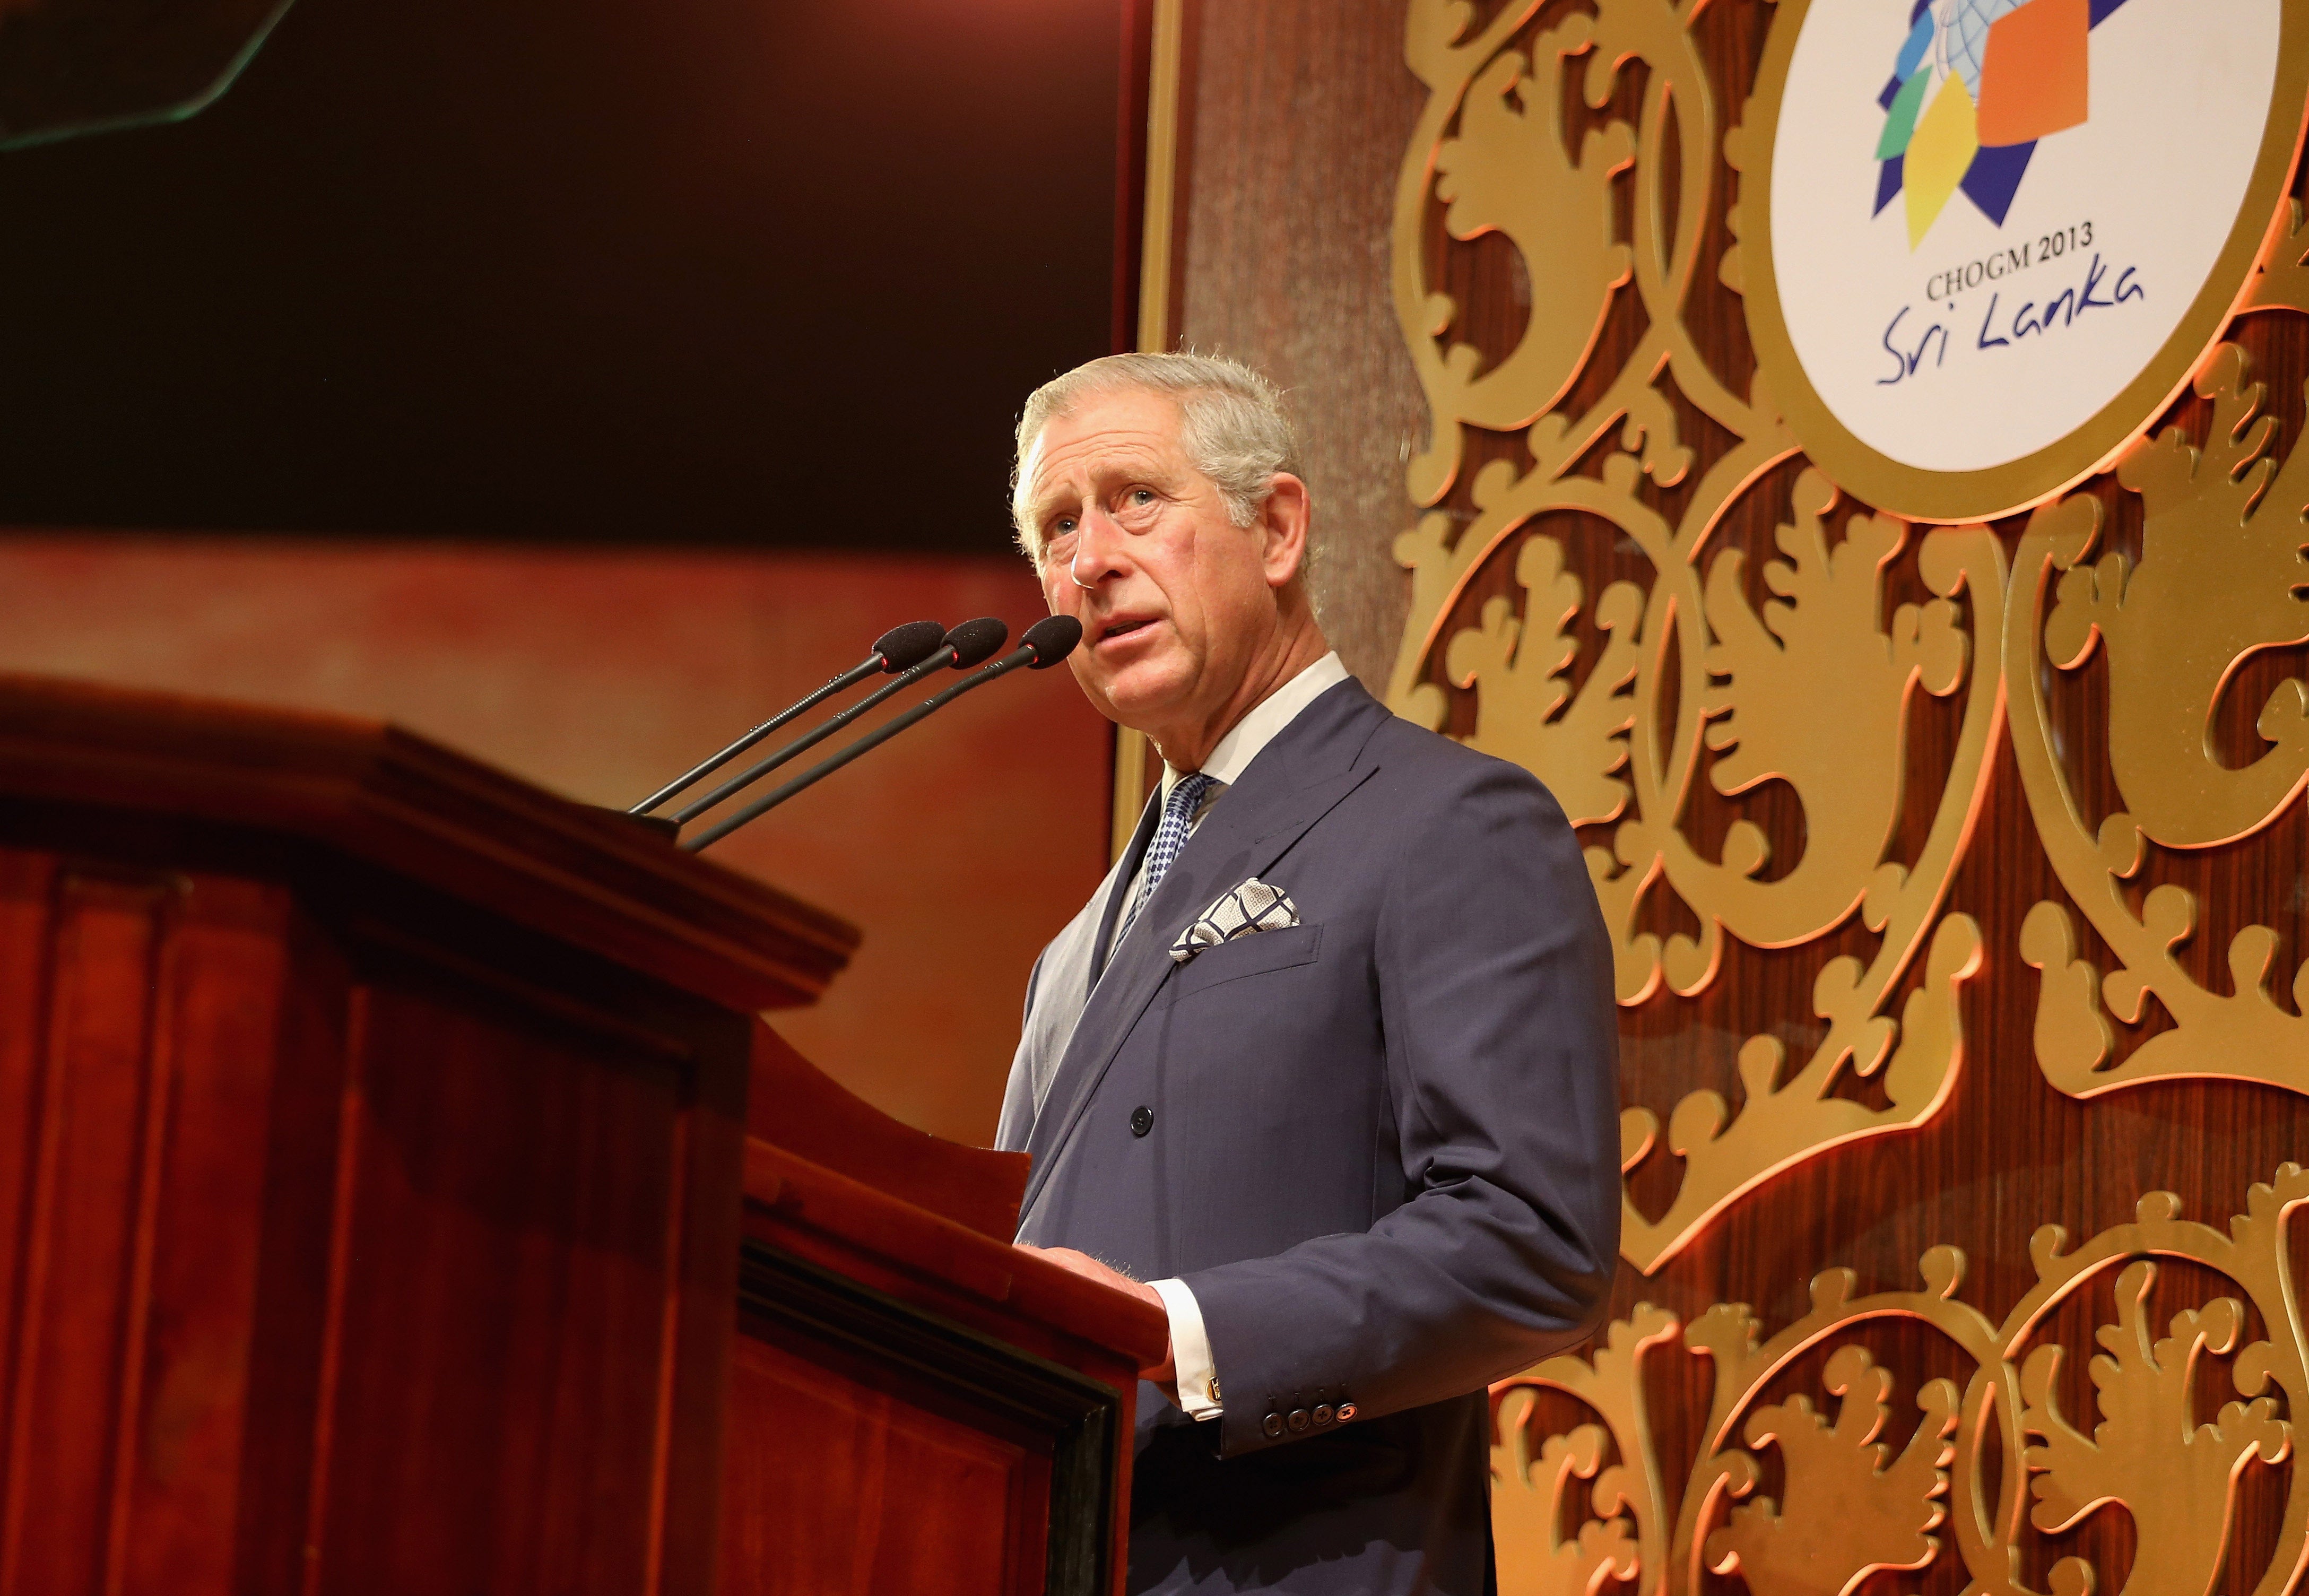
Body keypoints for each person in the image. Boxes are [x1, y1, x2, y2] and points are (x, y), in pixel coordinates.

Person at [996, 351, 1619, 1595]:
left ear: (1275, 528)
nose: (1090, 559)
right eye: (1056, 527)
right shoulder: (1065, 958)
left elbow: (1532, 1239)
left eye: (1135, 500)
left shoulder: (1448, 821)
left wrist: (1175, 1332)